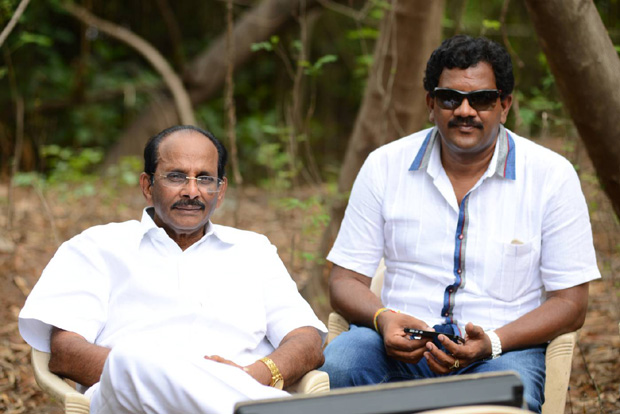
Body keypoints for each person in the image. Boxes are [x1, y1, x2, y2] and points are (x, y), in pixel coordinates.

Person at [319, 35, 600, 413]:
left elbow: (571, 303)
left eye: (481, 99)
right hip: (398, 347)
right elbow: (345, 280)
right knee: (340, 366)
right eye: (450, 98)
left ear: (504, 105)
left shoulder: (551, 176)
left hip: (502, 352)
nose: (465, 110)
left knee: (502, 399)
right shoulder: (384, 165)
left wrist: (493, 342)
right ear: (431, 104)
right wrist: (383, 320)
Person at [19, 125, 326, 414]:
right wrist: (164, 374)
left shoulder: (254, 250)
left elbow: (307, 339)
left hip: (242, 392)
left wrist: (254, 374)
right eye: (177, 177)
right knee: (130, 358)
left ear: (220, 191)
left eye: (205, 179)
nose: (192, 191)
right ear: (147, 185)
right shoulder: (96, 247)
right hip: (134, 403)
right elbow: (66, 353)